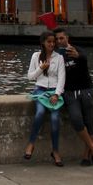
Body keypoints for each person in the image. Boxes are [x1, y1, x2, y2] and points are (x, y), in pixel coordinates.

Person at [54, 27, 93, 166]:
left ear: (67, 38)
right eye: (56, 39)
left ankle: (86, 155)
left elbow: (85, 59)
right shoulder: (56, 56)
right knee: (76, 119)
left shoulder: (77, 50)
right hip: (69, 93)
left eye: (61, 38)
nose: (59, 41)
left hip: (86, 90)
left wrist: (78, 56)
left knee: (89, 122)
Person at [24, 30, 66, 166]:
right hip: (40, 91)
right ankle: (31, 144)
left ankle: (55, 150)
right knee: (40, 113)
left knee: (55, 119)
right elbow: (30, 77)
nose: (52, 44)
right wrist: (41, 68)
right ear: (43, 42)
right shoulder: (36, 56)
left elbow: (62, 78)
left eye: (53, 42)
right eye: (49, 42)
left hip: (54, 92)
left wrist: (57, 94)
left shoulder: (59, 58)